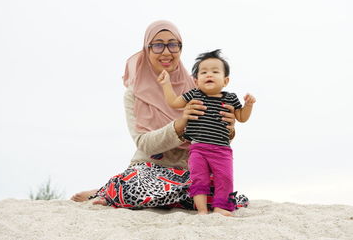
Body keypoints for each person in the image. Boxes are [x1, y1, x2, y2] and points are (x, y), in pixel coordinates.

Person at [71, 20, 249, 213]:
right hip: (151, 168)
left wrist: (230, 128)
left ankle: (120, 195)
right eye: (157, 45)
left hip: (191, 168)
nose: (166, 52)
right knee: (134, 186)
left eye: (173, 44)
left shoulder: (199, 85)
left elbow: (216, 136)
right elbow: (144, 143)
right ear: (147, 49)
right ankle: (108, 191)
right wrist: (180, 124)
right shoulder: (134, 94)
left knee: (224, 195)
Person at [157, 49, 256, 216]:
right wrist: (166, 84)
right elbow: (174, 102)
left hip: (222, 151)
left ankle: (221, 208)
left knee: (225, 179)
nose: (209, 74)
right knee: (199, 178)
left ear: (226, 80)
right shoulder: (194, 95)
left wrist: (248, 106)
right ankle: (201, 210)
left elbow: (241, 117)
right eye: (203, 72)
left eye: (215, 71)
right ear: (195, 81)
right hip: (198, 149)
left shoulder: (230, 98)